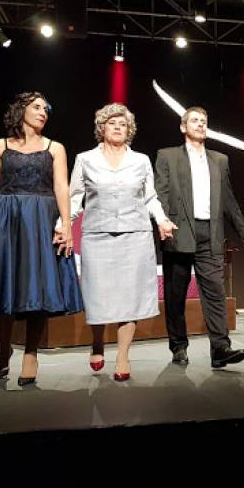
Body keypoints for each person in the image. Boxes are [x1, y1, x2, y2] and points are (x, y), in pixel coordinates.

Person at [0, 92, 83, 385]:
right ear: (21, 110)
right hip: (5, 220)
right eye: (36, 107)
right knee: (5, 285)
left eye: (46, 109)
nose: (42, 112)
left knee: (37, 286)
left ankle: (31, 353)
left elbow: (62, 187)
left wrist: (66, 225)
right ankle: (4, 348)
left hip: (40, 220)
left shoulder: (55, 148)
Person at [68, 103, 177, 381]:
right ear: (101, 128)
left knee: (131, 297)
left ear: (130, 130)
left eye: (123, 124)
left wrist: (162, 220)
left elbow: (150, 197)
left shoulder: (140, 160)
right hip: (97, 235)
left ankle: (123, 355)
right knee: (98, 295)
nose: (118, 127)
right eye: (112, 123)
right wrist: (63, 224)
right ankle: (97, 341)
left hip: (135, 235)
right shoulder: (85, 159)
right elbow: (74, 198)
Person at [155, 106, 244, 368]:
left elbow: (228, 200)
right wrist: (162, 221)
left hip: (210, 233)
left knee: (215, 292)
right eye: (195, 120)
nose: (201, 124)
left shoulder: (220, 159)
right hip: (178, 232)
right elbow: (161, 192)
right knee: (176, 295)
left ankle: (220, 348)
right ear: (183, 126)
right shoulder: (167, 156)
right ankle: (179, 346)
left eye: (204, 121)